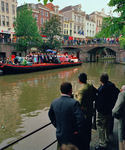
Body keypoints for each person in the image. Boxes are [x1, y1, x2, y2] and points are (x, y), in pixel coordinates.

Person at [48, 82, 86, 150]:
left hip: (60, 134)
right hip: (72, 135)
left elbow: (50, 115)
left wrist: (57, 125)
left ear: (61, 90)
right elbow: (81, 118)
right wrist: (79, 131)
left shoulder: (54, 102)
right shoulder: (74, 103)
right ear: (71, 91)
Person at [95, 73, 119, 150]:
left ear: (100, 80)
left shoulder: (101, 90)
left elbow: (100, 102)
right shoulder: (112, 86)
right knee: (107, 124)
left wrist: (98, 109)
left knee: (100, 125)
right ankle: (107, 138)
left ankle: (102, 144)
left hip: (103, 111)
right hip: (110, 109)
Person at [75, 73, 97, 150]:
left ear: (79, 80)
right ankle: (88, 143)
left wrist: (77, 95)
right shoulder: (90, 85)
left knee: (83, 130)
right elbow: (95, 93)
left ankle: (84, 146)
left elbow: (79, 103)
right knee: (88, 129)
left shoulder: (81, 90)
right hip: (90, 110)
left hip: (84, 113)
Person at [112, 85, 125, 150]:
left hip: (123, 120)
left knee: (122, 140)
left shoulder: (122, 94)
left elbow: (115, 110)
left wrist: (117, 116)